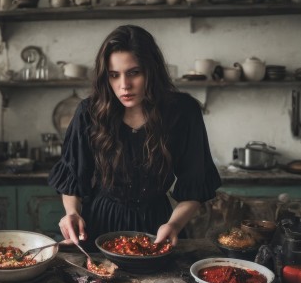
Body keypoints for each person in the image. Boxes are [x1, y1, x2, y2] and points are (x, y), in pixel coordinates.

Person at [48, 25, 221, 250]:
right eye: (114, 75)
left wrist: (174, 225)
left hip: (158, 226)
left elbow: (195, 187)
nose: (124, 85)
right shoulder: (89, 112)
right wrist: (71, 213)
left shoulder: (183, 112)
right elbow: (73, 179)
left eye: (134, 73)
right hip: (99, 225)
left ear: (152, 71)